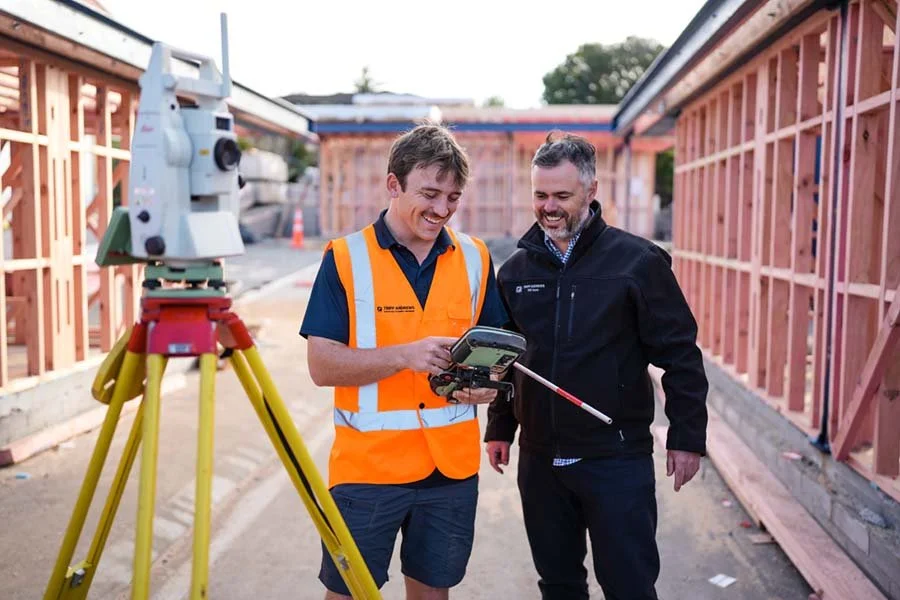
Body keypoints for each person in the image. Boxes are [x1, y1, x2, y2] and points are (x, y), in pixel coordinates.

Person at [484, 131, 708, 600]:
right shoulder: (515, 272)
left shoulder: (638, 263)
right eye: (540, 195)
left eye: (562, 196)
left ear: (591, 191)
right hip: (541, 462)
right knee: (559, 585)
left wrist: (687, 437)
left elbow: (681, 355)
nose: (549, 207)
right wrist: (500, 428)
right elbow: (509, 359)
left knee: (628, 586)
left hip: (615, 460)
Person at [299, 123, 509, 600]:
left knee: (433, 595)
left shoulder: (476, 258)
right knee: (349, 594)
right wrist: (404, 357)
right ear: (393, 184)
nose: (442, 209)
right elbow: (321, 365)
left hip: (450, 473)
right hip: (367, 472)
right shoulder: (346, 258)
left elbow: (494, 357)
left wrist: (486, 384)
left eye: (453, 197)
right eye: (430, 193)